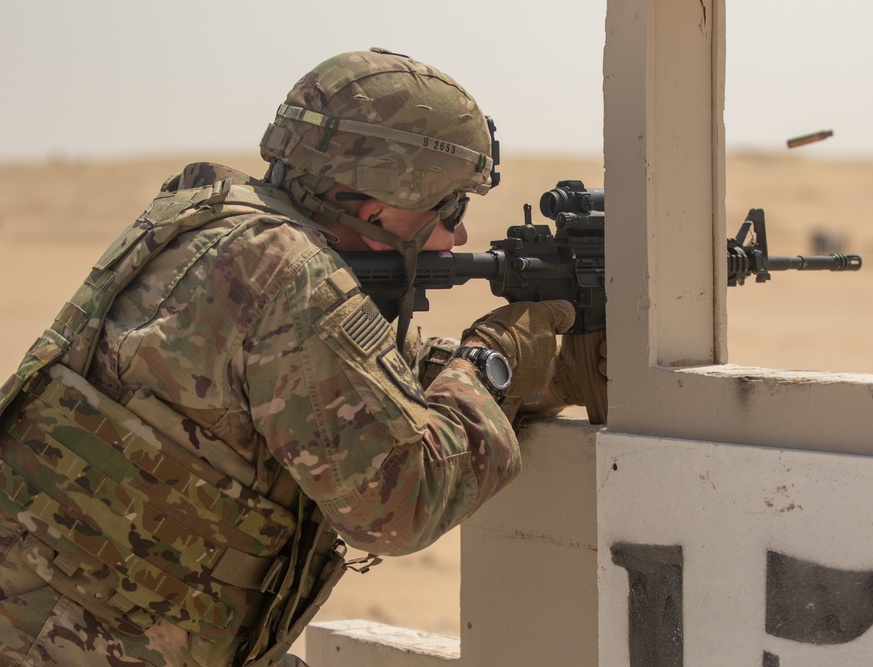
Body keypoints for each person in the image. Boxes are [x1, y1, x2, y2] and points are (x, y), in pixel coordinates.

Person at [0, 48, 583, 666]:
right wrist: (489, 363)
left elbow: (333, 376)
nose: (458, 237)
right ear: (377, 209)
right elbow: (401, 504)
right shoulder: (291, 277)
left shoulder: (214, 223)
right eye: (451, 210)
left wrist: (501, 369)